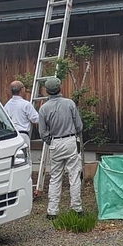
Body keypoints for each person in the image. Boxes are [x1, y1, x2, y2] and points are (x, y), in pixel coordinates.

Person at [38, 76, 83, 219]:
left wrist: (49, 141)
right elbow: (79, 126)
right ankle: (76, 208)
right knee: (74, 175)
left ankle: (52, 211)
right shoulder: (69, 103)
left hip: (55, 143)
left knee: (55, 177)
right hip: (70, 140)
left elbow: (42, 132)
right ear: (60, 88)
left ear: (47, 91)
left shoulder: (44, 108)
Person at [3, 80, 39, 147]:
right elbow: (35, 119)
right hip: (23, 136)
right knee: (25, 156)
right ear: (22, 89)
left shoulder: (7, 105)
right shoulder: (26, 104)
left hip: (11, 136)